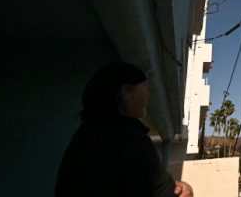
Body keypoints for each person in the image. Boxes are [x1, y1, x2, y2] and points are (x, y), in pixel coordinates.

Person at [55, 62, 193, 197]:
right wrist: (184, 191)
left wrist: (169, 185)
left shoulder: (84, 137)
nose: (148, 95)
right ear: (126, 92)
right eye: (145, 88)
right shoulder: (130, 140)